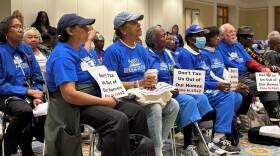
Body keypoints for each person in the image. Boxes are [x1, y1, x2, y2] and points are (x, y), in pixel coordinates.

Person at [44, 13, 150, 156]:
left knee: (137, 112)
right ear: (70, 31)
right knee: (117, 120)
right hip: (76, 106)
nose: (88, 29)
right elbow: (70, 95)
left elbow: (86, 49)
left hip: (94, 97)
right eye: (83, 27)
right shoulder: (62, 55)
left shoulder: (79, 50)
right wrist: (104, 101)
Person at [103, 12, 179, 156]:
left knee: (173, 105)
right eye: (134, 23)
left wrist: (152, 83)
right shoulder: (112, 51)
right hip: (124, 96)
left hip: (143, 92)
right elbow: (109, 83)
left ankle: (156, 145)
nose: (139, 25)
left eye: (138, 22)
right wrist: (137, 84)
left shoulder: (140, 50)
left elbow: (146, 74)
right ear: (123, 30)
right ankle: (157, 152)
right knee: (155, 107)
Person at [146, 25, 213, 156]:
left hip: (177, 89)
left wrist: (188, 85)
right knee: (188, 101)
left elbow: (181, 73)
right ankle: (187, 145)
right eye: (162, 36)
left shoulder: (170, 54)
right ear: (154, 40)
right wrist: (169, 88)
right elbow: (149, 80)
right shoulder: (147, 55)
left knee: (202, 97)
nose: (166, 38)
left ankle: (201, 140)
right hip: (161, 92)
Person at [177, 24, 242, 154]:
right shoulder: (185, 54)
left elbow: (210, 75)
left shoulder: (199, 53)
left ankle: (218, 136)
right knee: (226, 96)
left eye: (203, 35)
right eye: (199, 36)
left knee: (231, 93)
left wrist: (230, 84)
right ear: (190, 39)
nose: (203, 38)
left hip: (207, 88)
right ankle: (212, 138)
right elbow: (191, 82)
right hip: (196, 91)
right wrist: (216, 85)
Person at [0, 16, 45, 156]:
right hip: (7, 94)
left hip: (30, 93)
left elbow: (37, 75)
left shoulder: (26, 49)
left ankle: (26, 142)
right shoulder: (1, 51)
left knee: (52, 108)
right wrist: (28, 92)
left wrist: (38, 94)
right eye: (16, 26)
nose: (20, 29)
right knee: (24, 111)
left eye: (21, 26)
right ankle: (9, 144)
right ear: (6, 31)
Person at [217, 23, 280, 121]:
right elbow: (221, 68)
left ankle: (275, 117)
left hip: (246, 74)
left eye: (234, 31)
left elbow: (249, 61)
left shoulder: (237, 45)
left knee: (270, 82)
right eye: (230, 32)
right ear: (222, 35)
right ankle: (240, 118)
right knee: (264, 86)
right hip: (234, 77)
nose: (234, 34)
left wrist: (262, 69)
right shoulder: (218, 47)